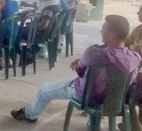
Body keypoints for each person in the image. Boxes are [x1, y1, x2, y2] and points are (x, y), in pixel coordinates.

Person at [11, 15, 141, 124]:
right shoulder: (135, 58)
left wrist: (80, 60)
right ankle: (93, 124)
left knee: (44, 90)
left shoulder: (93, 53)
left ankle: (29, 115)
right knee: (98, 86)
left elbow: (81, 68)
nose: (101, 31)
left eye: (103, 29)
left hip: (87, 96)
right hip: (115, 100)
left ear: (112, 35)